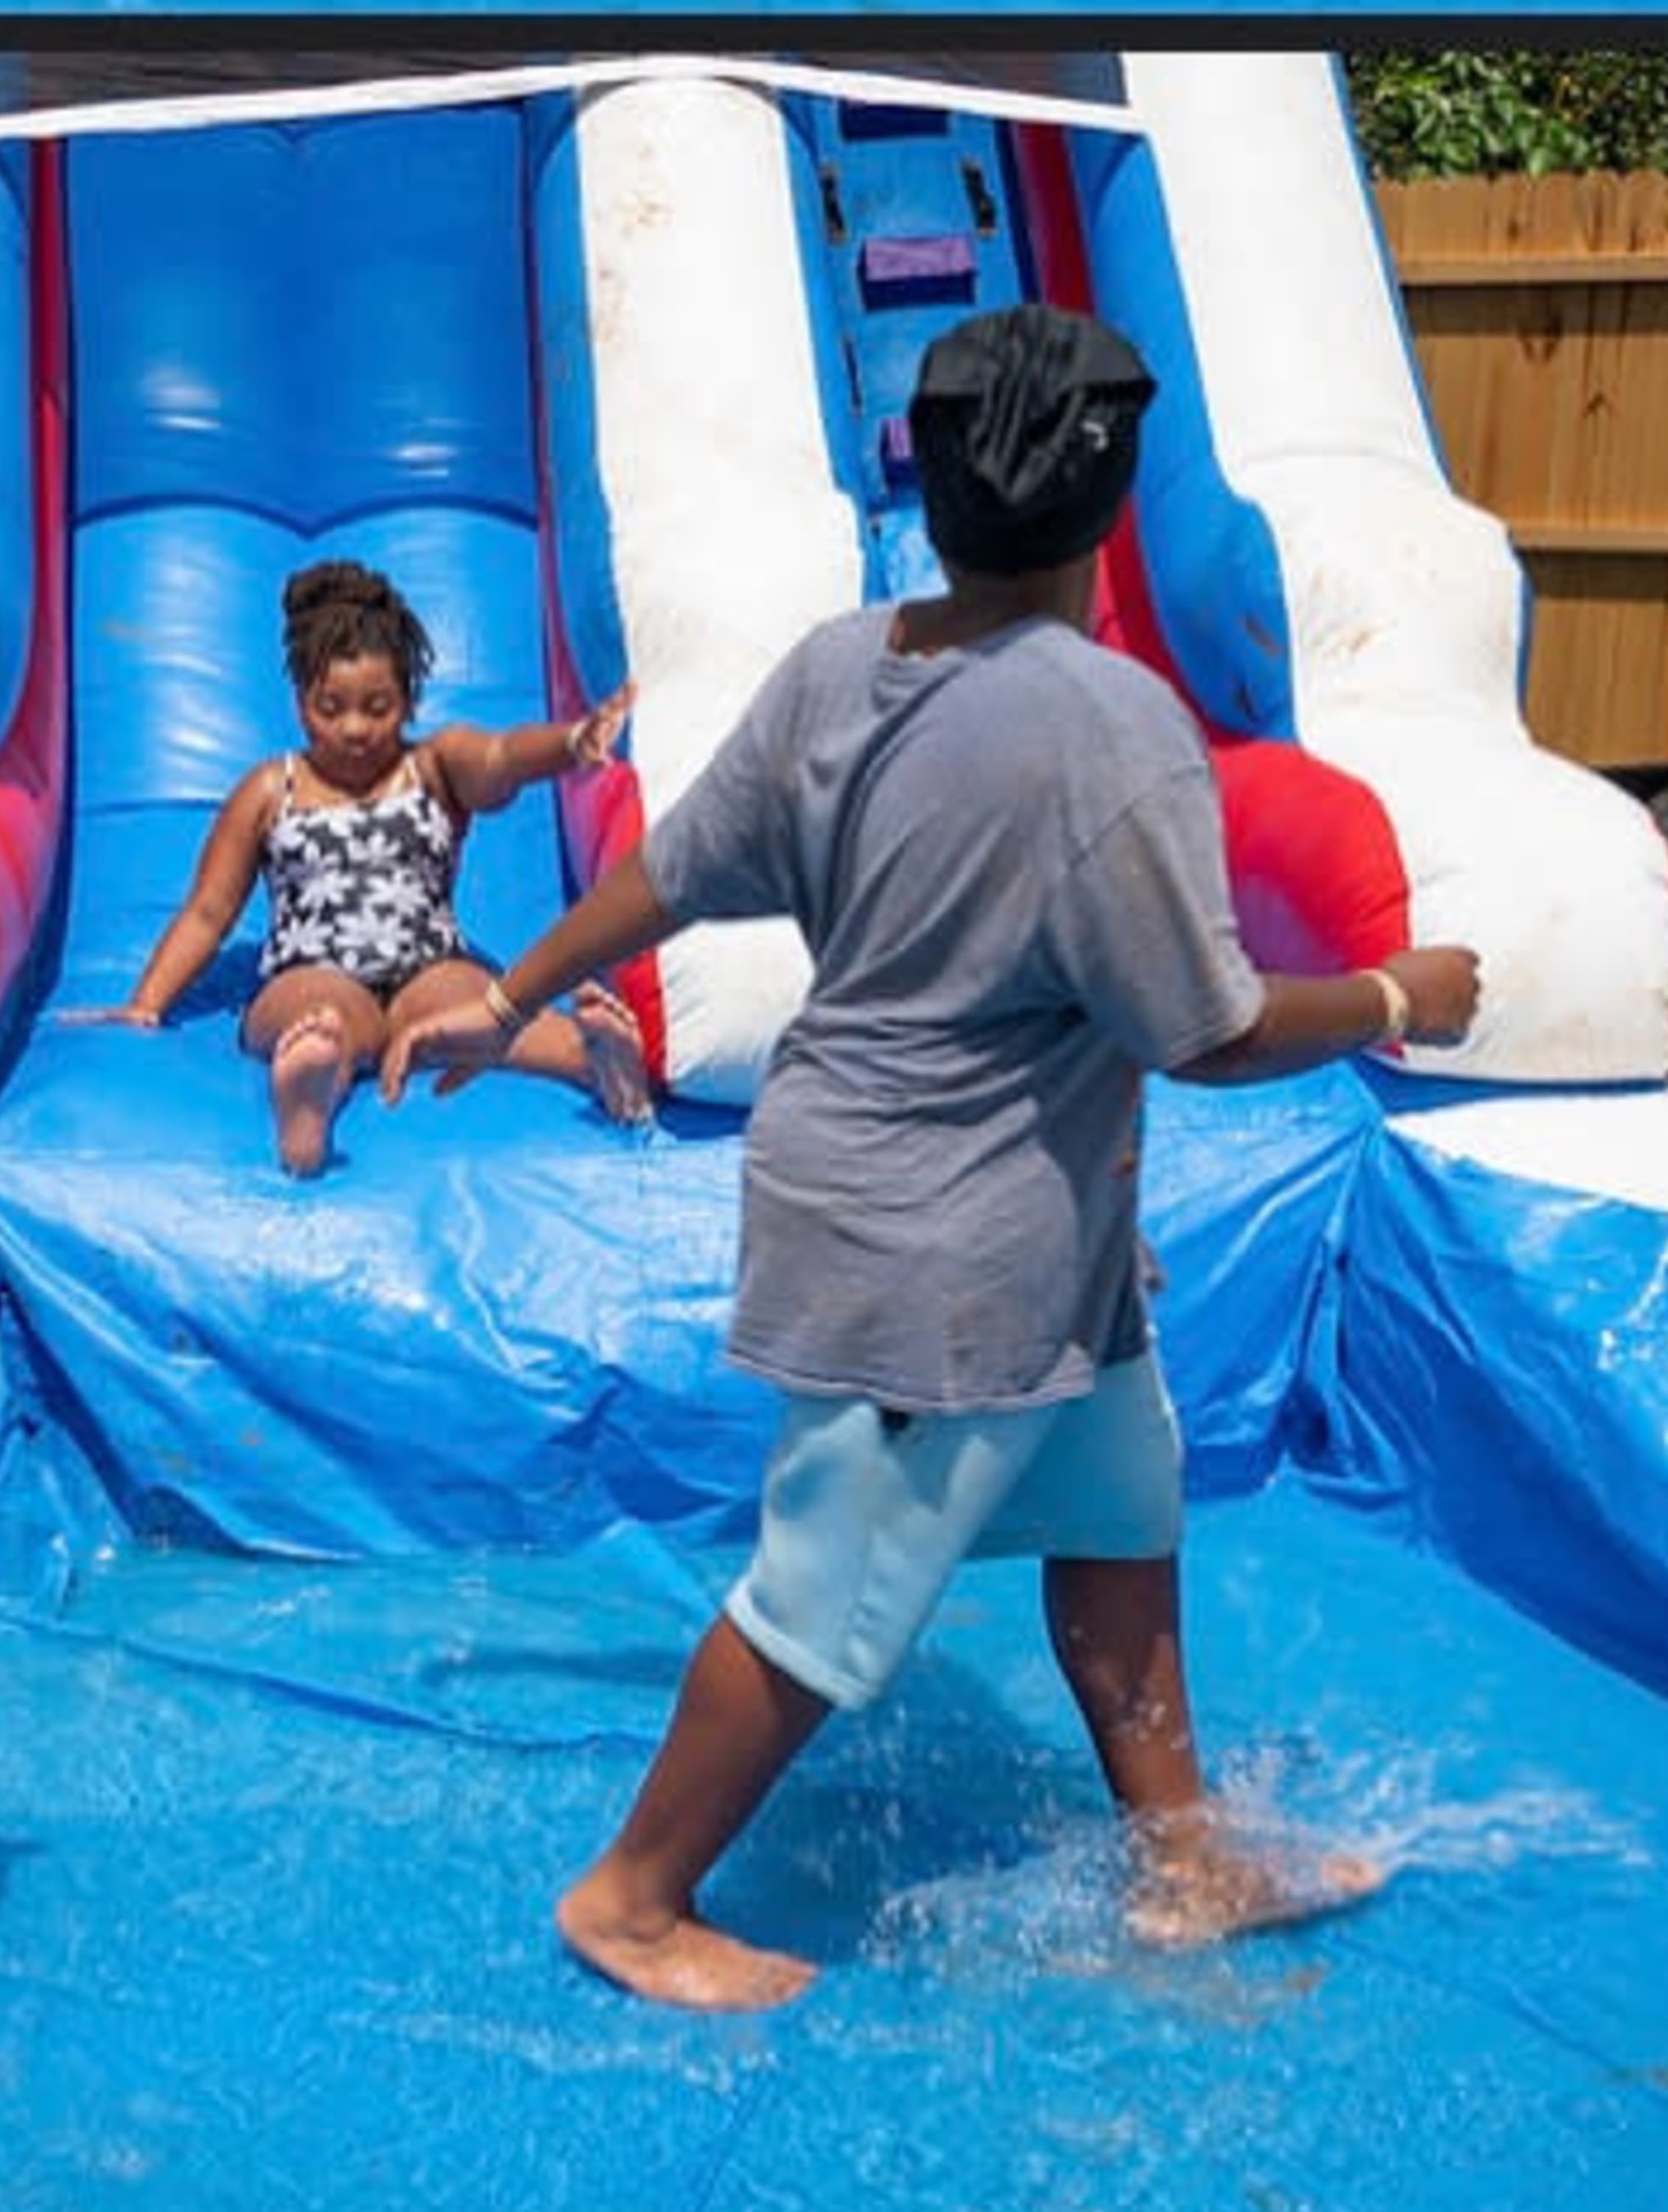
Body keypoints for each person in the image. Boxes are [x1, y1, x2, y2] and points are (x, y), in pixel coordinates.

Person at [381, 304, 1484, 2012]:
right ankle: (634, 1896)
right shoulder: (1115, 730)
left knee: (1121, 1511)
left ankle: (1180, 1858)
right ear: (1112, 504)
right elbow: (1205, 1029)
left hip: (1033, 1238)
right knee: (827, 1595)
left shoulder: (845, 662)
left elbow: (670, 872)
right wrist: (1400, 992)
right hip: (939, 1250)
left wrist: (508, 986)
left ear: (931, 483)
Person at [79, 557, 654, 1177]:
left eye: (377, 707)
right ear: (301, 705)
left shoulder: (434, 766)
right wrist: (149, 1001)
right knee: (318, 1015)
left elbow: (501, 758)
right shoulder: (272, 790)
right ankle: (308, 1095)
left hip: (428, 965)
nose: (355, 728)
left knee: (482, 1008)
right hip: (312, 970)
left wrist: (570, 744)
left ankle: (595, 1059)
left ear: (408, 700)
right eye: (332, 707)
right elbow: (208, 912)